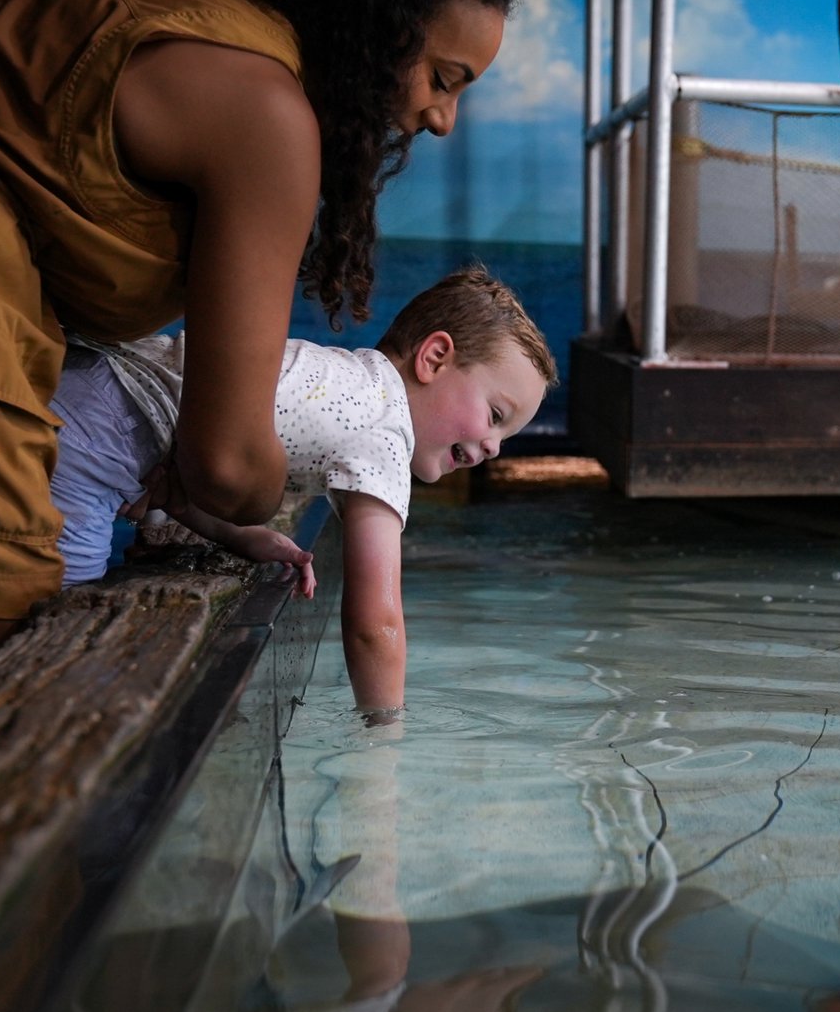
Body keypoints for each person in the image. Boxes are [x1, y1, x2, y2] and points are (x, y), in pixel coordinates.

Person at [0, 0, 514, 705]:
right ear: (379, 27)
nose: (443, 118)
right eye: (443, 78)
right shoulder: (264, 111)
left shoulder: (186, 8)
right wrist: (266, 490)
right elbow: (229, 463)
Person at [49, 267, 558, 713]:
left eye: (503, 436)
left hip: (96, 383)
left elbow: (185, 449)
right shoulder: (386, 429)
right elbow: (375, 625)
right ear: (435, 357)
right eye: (495, 416)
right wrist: (383, 742)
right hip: (99, 434)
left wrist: (238, 536)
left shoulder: (347, 379)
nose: (493, 447)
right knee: (63, 636)